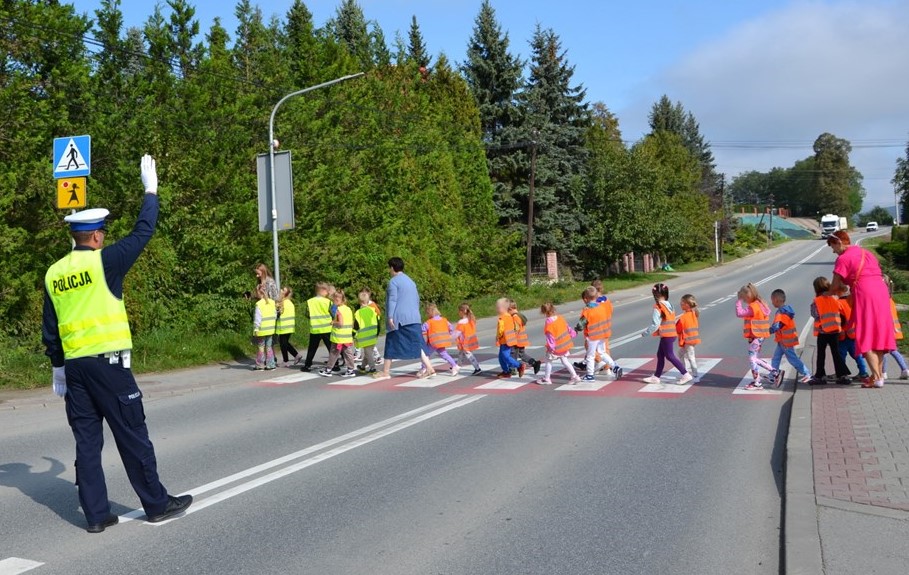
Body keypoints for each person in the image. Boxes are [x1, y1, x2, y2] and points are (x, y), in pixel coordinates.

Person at [42, 154, 191, 533]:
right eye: (103, 233)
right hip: (109, 365)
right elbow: (144, 232)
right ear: (95, 236)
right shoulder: (104, 262)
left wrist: (57, 366)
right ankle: (156, 504)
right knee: (131, 433)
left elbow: (51, 325)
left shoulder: (54, 272)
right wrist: (150, 190)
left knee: (87, 443)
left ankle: (95, 515)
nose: (104, 237)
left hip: (75, 369)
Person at [826, 230, 896, 388]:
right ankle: (876, 376)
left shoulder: (843, 259)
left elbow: (836, 285)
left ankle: (877, 378)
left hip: (865, 293)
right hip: (881, 291)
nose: (833, 251)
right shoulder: (866, 252)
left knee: (865, 334)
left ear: (839, 242)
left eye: (833, 246)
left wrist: (827, 293)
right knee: (878, 334)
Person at [372, 258, 434, 381]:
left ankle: (385, 372)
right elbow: (416, 299)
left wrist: (390, 316)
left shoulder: (393, 282)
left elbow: (392, 300)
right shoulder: (410, 281)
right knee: (418, 343)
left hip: (399, 319)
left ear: (391, 268)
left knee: (390, 342)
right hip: (414, 317)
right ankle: (429, 368)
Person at [641, 283, 692, 385]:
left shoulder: (658, 307)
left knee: (669, 355)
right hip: (671, 333)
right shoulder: (669, 304)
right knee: (660, 355)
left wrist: (645, 333)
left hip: (666, 335)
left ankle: (685, 374)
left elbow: (655, 324)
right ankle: (656, 377)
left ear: (655, 295)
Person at [577, 286, 623, 382]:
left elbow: (581, 325)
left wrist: (576, 329)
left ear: (586, 299)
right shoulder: (601, 307)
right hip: (603, 334)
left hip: (592, 336)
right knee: (602, 353)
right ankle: (615, 367)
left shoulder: (587, 310)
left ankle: (590, 375)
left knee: (590, 355)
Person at [767, 289, 813, 387]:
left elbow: (777, 326)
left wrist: (767, 332)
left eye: (772, 300)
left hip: (786, 342)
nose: (772, 302)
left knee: (793, 359)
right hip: (782, 341)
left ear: (776, 300)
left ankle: (807, 373)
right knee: (776, 358)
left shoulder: (781, 313)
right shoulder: (786, 310)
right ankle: (773, 374)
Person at [810, 276, 850, 385]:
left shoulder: (816, 301)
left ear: (816, 288)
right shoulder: (835, 298)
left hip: (823, 331)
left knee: (821, 354)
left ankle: (820, 376)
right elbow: (842, 313)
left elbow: (815, 314)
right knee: (836, 354)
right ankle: (842, 375)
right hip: (835, 330)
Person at [735, 282, 774, 390]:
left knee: (752, 358)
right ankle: (773, 373)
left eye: (744, 298)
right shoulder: (760, 303)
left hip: (757, 335)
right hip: (760, 335)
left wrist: (738, 301)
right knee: (755, 357)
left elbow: (740, 313)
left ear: (747, 296)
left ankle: (759, 381)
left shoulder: (752, 307)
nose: (744, 300)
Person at [535, 303, 581, 385]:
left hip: (556, 347)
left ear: (544, 312)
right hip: (564, 345)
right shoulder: (560, 318)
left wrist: (550, 348)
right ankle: (574, 376)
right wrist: (574, 333)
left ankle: (547, 378)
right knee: (565, 361)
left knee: (548, 361)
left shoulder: (549, 323)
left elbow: (550, 337)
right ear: (554, 309)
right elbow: (568, 328)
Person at [318, 290, 356, 378]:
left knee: (333, 353)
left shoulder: (338, 310)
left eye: (337, 298)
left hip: (338, 337)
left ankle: (328, 370)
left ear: (341, 299)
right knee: (348, 354)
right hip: (346, 336)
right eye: (335, 297)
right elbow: (351, 322)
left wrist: (333, 322)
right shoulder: (348, 309)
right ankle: (350, 370)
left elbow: (340, 323)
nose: (335, 299)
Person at [837, 292, 870, 380]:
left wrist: (840, 330)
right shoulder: (854, 302)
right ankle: (863, 372)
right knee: (857, 355)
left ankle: (842, 373)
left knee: (841, 355)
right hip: (854, 333)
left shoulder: (838, 303)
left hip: (843, 334)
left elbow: (840, 319)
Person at [300, 282, 333, 372]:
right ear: (322, 290)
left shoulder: (310, 302)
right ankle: (335, 364)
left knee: (312, 348)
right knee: (331, 348)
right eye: (327, 290)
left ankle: (307, 365)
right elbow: (334, 313)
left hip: (315, 328)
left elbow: (307, 313)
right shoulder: (328, 302)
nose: (328, 292)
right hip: (327, 328)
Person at [881, 276, 909, 380]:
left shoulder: (882, 300)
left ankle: (883, 372)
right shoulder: (890, 299)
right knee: (893, 350)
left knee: (882, 351)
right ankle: (904, 369)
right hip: (893, 330)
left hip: (887, 330)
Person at [422, 303, 459, 377]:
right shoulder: (444, 320)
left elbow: (422, 329)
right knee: (444, 354)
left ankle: (424, 368)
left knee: (425, 355)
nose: (427, 315)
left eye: (427, 313)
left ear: (429, 312)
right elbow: (451, 327)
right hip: (443, 341)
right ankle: (454, 365)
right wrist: (450, 334)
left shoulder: (429, 322)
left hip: (434, 342)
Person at [495, 298, 525, 379]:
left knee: (505, 356)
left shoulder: (503, 318)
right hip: (506, 340)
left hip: (506, 341)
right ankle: (506, 371)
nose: (497, 309)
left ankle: (519, 366)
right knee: (501, 357)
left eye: (498, 307)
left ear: (504, 308)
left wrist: (497, 337)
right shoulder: (509, 316)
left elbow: (500, 330)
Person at [508, 300, 540, 374]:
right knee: (521, 354)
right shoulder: (520, 315)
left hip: (516, 340)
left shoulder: (515, 317)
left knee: (513, 354)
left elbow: (516, 329)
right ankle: (534, 363)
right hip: (521, 339)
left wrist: (511, 339)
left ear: (510, 309)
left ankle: (512, 369)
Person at [353, 288, 383, 366]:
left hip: (364, 336)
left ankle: (372, 367)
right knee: (368, 351)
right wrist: (377, 332)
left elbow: (356, 326)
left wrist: (353, 335)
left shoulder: (358, 312)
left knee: (368, 352)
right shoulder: (372, 310)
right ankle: (363, 366)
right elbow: (378, 321)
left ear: (359, 301)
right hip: (373, 334)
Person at [252, 284, 278, 371]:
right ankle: (271, 365)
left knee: (261, 347)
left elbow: (257, 318)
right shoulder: (272, 302)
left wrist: (256, 328)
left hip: (262, 330)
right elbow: (275, 315)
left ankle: (260, 365)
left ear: (259, 293)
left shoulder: (259, 304)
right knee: (269, 347)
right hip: (270, 329)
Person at [676, 294, 701, 381]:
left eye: (682, 303)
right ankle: (685, 372)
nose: (680, 304)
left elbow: (678, 329)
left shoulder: (683, 317)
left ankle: (695, 376)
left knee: (691, 357)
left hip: (688, 340)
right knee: (680, 354)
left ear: (687, 305)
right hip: (693, 339)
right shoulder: (694, 313)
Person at [276, 286, 302, 367]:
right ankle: (292, 357)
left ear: (285, 294)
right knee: (284, 343)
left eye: (283, 290)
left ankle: (290, 358)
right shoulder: (290, 303)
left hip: (284, 326)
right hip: (289, 326)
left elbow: (278, 313)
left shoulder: (283, 303)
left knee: (283, 343)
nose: (281, 290)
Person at [455, 302, 482, 375]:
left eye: (459, 311)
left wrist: (451, 337)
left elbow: (457, 333)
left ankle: (477, 368)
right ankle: (457, 366)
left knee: (468, 354)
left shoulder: (461, 322)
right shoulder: (471, 319)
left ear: (462, 312)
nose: (458, 313)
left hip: (465, 341)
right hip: (471, 340)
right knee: (461, 354)